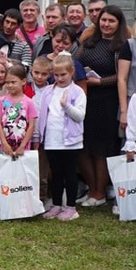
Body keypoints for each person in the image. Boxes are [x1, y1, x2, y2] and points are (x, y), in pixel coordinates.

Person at [75, 4, 129, 208]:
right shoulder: (89, 41)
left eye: (111, 21)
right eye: (104, 20)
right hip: (85, 99)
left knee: (102, 149)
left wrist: (99, 82)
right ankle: (92, 189)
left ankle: (100, 192)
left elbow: (122, 76)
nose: (106, 24)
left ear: (118, 23)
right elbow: (75, 62)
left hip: (108, 100)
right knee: (83, 147)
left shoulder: (123, 45)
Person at [35, 54, 85, 221]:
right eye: (56, 75)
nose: (60, 78)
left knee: (69, 173)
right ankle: (56, 204)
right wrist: (39, 135)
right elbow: (43, 114)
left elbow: (80, 116)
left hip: (70, 141)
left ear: (72, 72)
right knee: (55, 173)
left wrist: (66, 106)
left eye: (63, 74)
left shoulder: (78, 92)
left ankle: (71, 207)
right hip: (52, 139)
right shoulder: (48, 91)